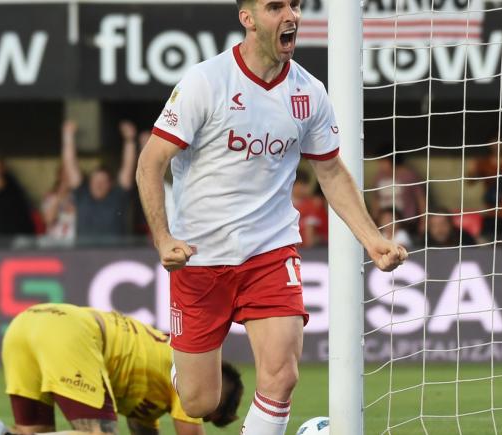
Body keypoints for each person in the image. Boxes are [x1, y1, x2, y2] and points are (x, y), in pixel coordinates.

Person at [135, 0, 407, 433]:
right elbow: (150, 163)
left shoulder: (309, 92)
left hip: (270, 250)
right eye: (275, 6)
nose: (291, 15)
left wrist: (371, 239)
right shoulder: (206, 82)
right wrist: (163, 238)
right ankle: (181, 369)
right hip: (200, 258)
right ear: (248, 19)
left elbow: (331, 170)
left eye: (296, 6)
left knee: (282, 376)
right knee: (200, 400)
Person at [0, 303, 244, 435]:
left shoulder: (155, 384)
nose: (198, 414)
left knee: (35, 433)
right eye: (207, 416)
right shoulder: (191, 373)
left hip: (27, 324)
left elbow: (143, 428)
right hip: (71, 334)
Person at [63, 120, 137, 244]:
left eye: (103, 181)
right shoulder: (82, 194)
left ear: (110, 184)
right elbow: (70, 165)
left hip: (116, 258)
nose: (99, 184)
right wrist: (68, 136)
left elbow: (128, 168)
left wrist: (129, 140)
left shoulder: (118, 196)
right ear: (89, 182)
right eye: (95, 180)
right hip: (82, 256)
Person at [39, 123, 79, 247]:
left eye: (70, 174)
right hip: (54, 245)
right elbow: (48, 220)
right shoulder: (50, 196)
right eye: (64, 174)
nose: (67, 178)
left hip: (77, 246)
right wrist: (60, 195)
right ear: (59, 176)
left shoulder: (82, 196)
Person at [292, 169, 328, 247]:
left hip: (311, 251)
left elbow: (310, 238)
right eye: (301, 185)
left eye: (305, 185)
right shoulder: (284, 204)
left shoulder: (313, 204)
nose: (304, 189)